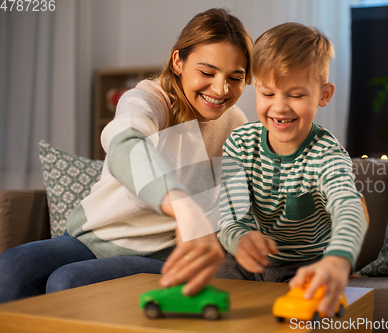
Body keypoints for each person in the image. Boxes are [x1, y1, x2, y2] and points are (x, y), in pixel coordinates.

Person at [0, 8, 253, 303]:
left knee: (69, 282)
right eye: (207, 72)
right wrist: (183, 206)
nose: (221, 89)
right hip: (90, 239)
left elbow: (240, 201)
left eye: (235, 77)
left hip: (159, 254)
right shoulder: (148, 99)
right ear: (178, 62)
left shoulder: (236, 125)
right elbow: (125, 144)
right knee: (9, 269)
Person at [215, 22, 369, 316]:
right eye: (268, 94)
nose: (280, 107)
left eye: (296, 95)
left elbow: (349, 207)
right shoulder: (238, 144)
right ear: (256, 88)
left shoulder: (327, 154)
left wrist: (338, 260)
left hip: (306, 264)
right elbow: (230, 217)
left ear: (324, 95)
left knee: (307, 312)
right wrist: (241, 238)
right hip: (246, 262)